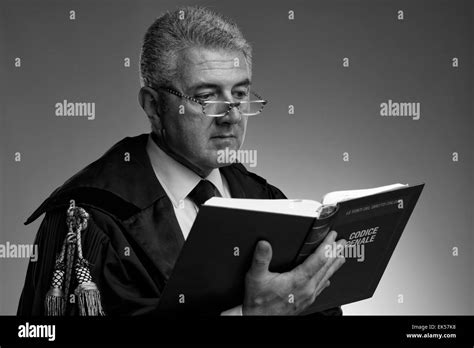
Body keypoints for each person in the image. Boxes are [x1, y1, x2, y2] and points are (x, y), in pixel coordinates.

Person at [18, 6, 346, 316]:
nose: (230, 117)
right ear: (153, 105)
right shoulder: (88, 221)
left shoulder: (264, 199)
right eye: (206, 97)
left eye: (240, 95)